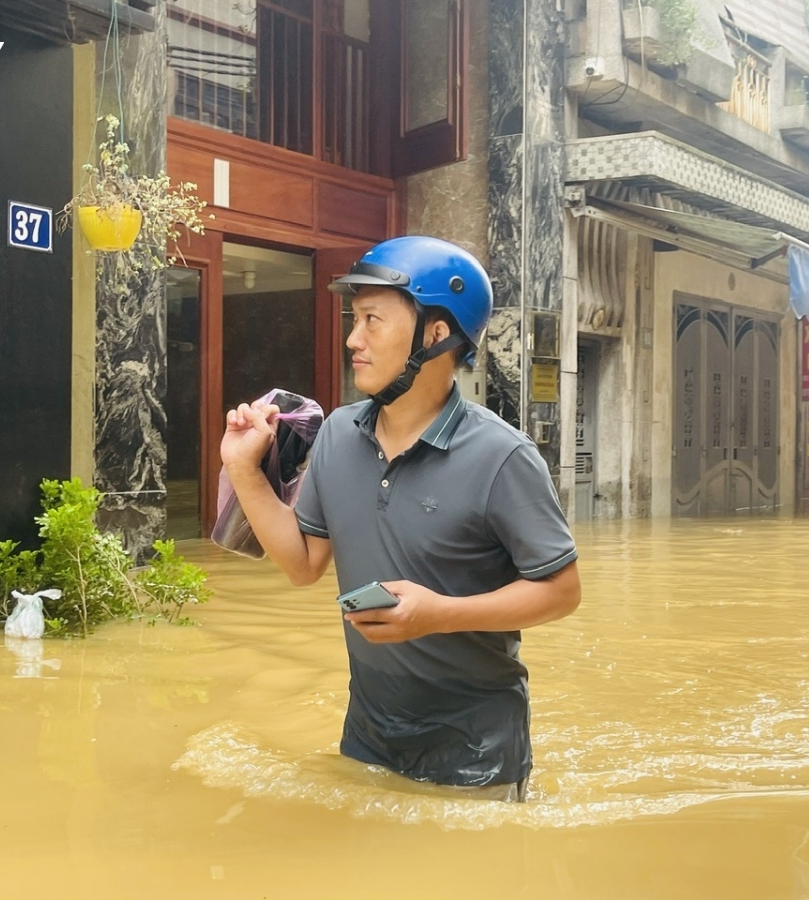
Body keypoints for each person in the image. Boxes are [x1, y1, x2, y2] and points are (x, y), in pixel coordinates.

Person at [219, 235, 581, 801]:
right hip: (367, 740)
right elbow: (303, 564)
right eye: (354, 319)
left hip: (477, 754)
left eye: (372, 320)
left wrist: (440, 615)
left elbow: (562, 592)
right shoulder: (338, 434)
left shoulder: (503, 457)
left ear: (436, 334)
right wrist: (244, 471)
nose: (352, 339)